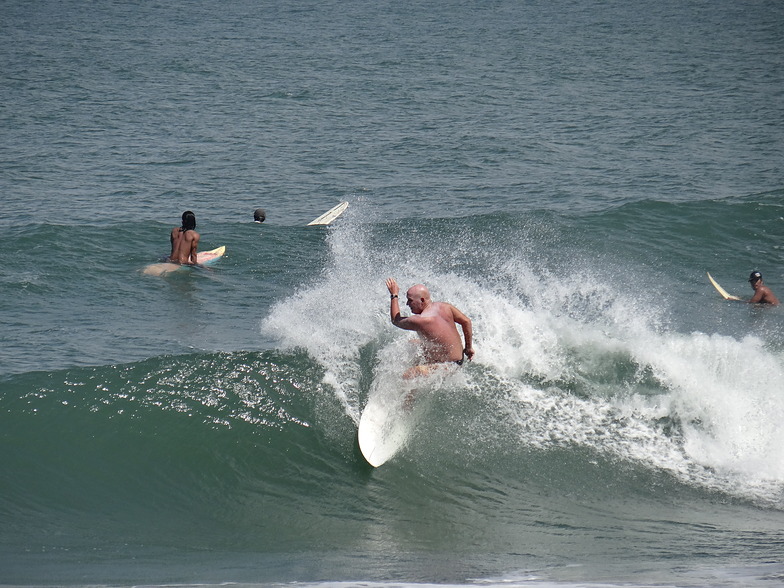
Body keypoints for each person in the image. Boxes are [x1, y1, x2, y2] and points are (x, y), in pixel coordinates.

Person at [385, 278, 474, 378]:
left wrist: (394, 295)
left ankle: (407, 393)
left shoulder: (422, 320)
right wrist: (468, 348)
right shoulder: (444, 306)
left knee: (410, 374)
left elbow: (396, 320)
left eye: (410, 300)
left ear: (422, 300)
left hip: (450, 366)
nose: (407, 304)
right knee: (412, 343)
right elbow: (466, 321)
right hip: (459, 356)